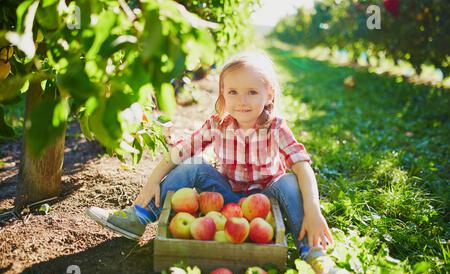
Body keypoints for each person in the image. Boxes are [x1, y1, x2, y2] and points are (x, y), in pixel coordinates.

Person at [85, 51, 334, 259]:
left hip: (265, 205)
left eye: (252, 92)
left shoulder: (275, 127)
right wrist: (151, 182)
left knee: (290, 180)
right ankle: (138, 216)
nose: (242, 101)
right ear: (222, 93)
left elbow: (302, 165)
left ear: (269, 94)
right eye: (233, 92)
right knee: (192, 164)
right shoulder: (218, 124)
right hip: (224, 198)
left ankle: (312, 251)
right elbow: (180, 152)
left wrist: (313, 210)